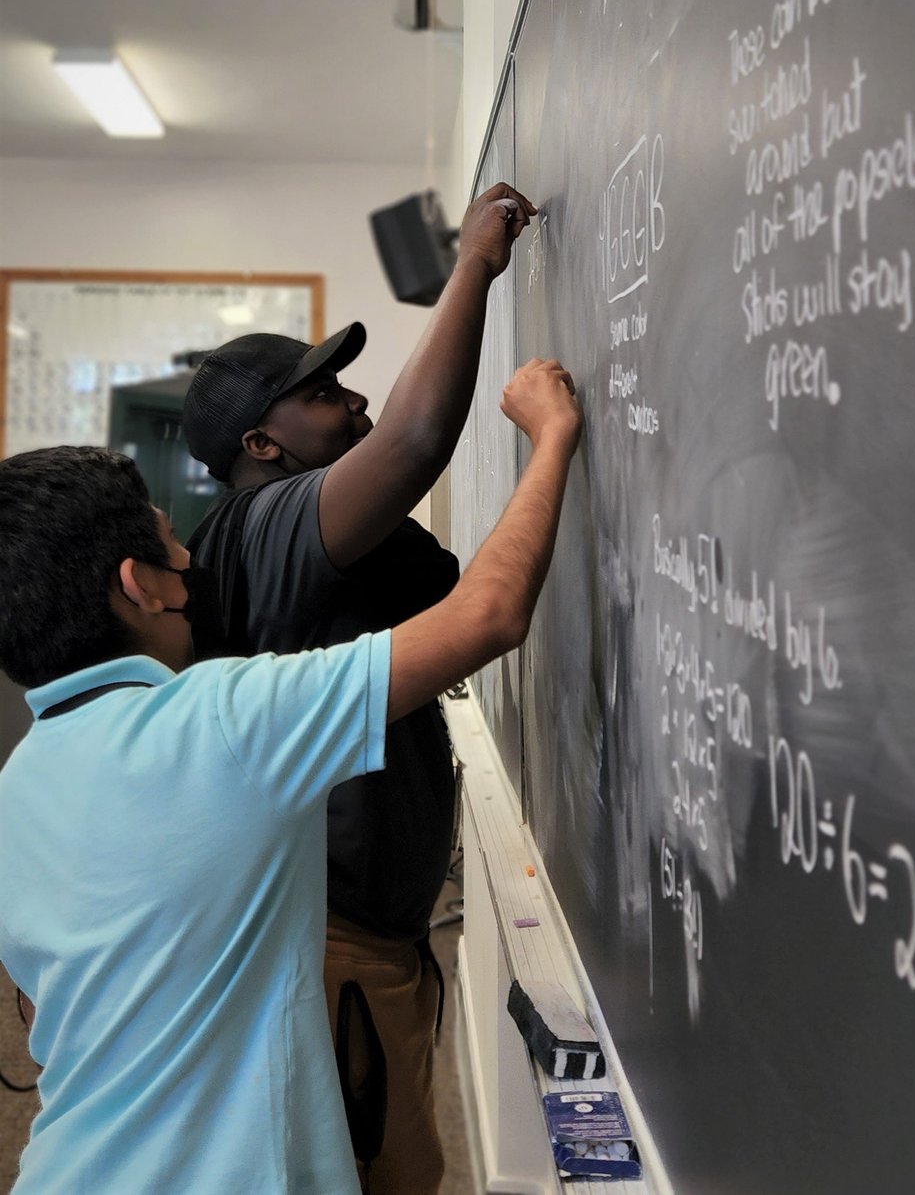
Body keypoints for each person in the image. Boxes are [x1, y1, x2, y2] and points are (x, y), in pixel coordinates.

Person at [0, 357, 581, 1195]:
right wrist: (553, 437)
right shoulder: (224, 720)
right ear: (139, 587)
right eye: (168, 543)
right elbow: (487, 614)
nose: (188, 563)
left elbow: (33, 1004)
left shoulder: (21, 783)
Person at [180, 183, 535, 1193]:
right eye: (326, 395)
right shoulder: (268, 528)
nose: (359, 402)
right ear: (261, 445)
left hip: (369, 934)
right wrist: (472, 263)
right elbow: (418, 442)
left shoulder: (312, 535)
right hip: (329, 941)